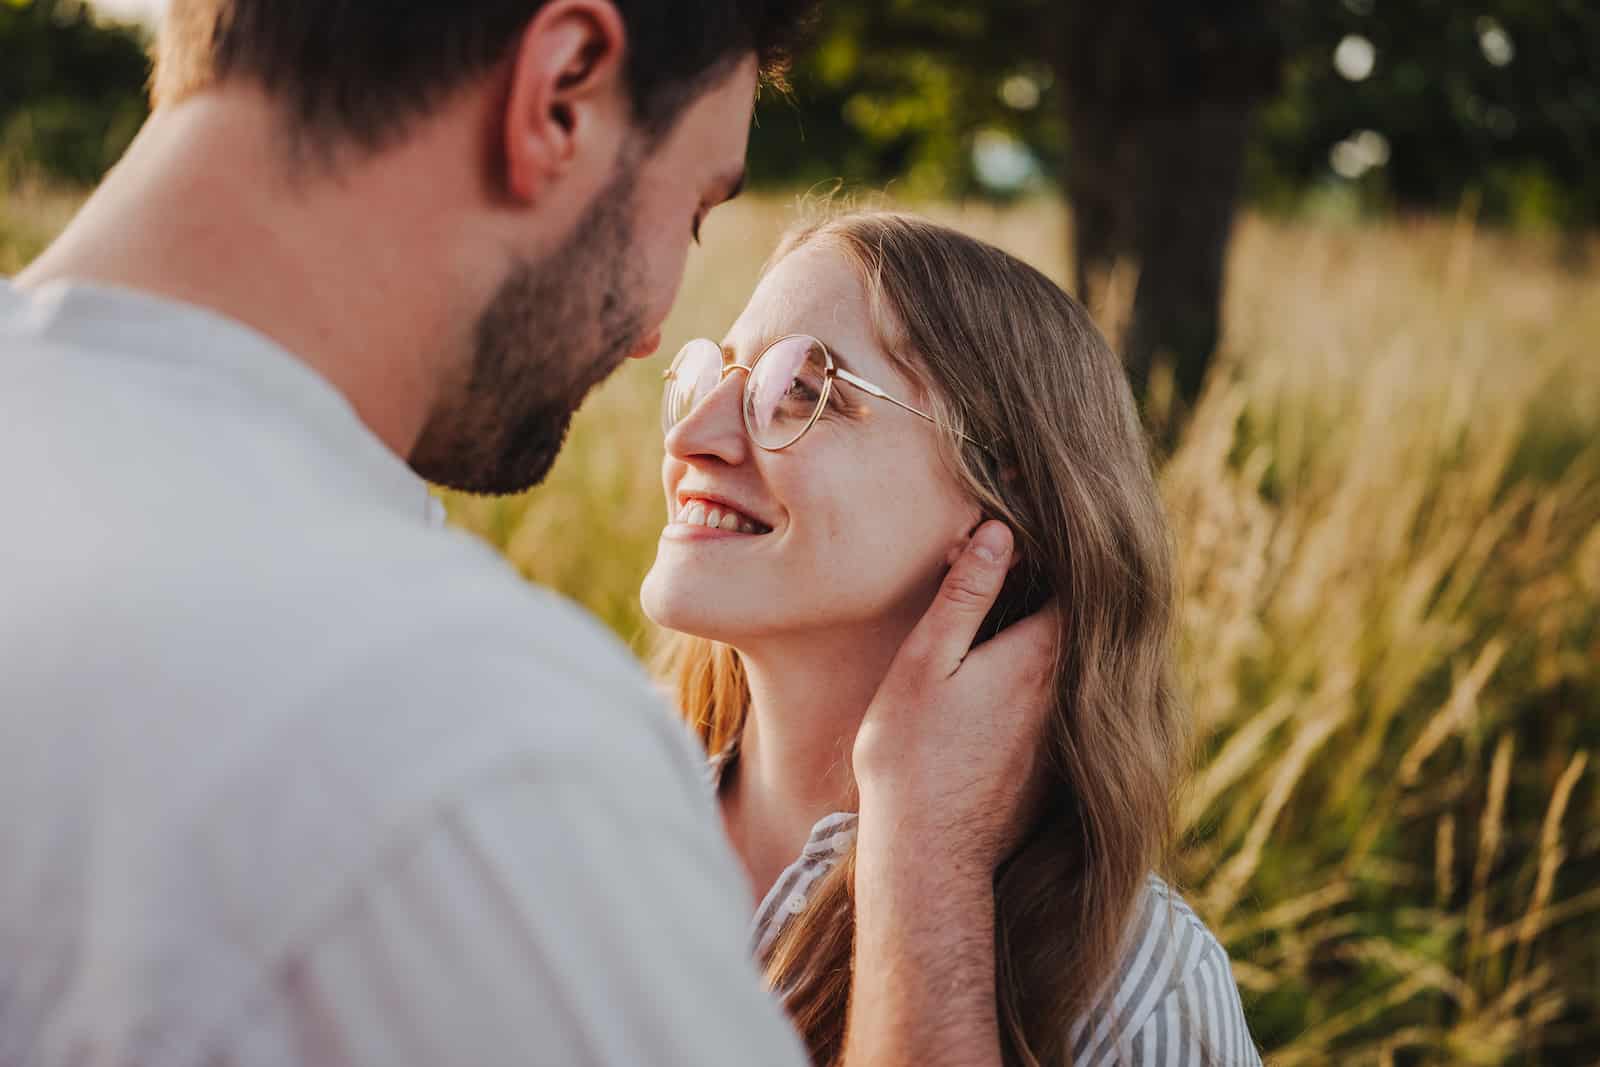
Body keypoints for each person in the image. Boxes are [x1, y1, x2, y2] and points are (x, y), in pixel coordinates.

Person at [0, 4, 1059, 1065]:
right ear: (561, 90)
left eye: (796, 388)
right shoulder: (478, 749)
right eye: (692, 208)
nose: (651, 334)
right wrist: (924, 873)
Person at [642, 211, 1264, 1066]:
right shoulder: (566, 799)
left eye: (800, 387)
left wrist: (922, 842)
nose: (691, 439)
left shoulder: (1132, 991)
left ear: (999, 496)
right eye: (719, 371)